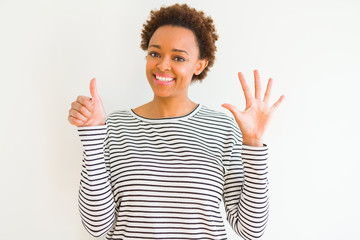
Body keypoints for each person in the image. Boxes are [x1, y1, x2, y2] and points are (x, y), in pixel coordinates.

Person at [68, 3, 284, 240]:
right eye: (154, 53)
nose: (162, 65)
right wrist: (92, 134)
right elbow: (97, 227)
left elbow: (251, 229)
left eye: (178, 57)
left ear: (199, 65)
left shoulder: (223, 129)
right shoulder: (115, 126)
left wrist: (253, 144)